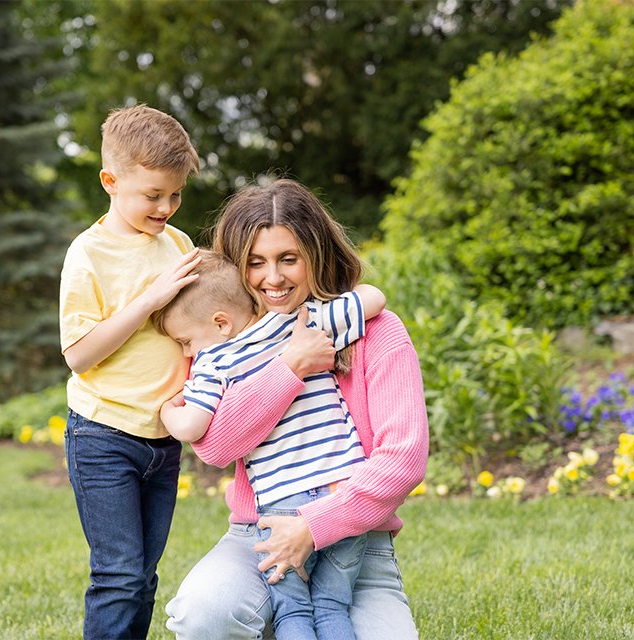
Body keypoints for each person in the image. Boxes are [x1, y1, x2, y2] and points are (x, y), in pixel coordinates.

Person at [164, 178, 429, 639]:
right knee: (202, 614)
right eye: (255, 263)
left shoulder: (377, 331)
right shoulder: (223, 343)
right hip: (259, 537)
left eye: (289, 259)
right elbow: (217, 446)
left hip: (357, 540)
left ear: (317, 254)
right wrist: (290, 366)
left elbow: (403, 459)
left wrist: (312, 527)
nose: (273, 278)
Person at [151, 250, 386, 639]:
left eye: (186, 340)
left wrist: (165, 410)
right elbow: (374, 298)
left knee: (293, 611)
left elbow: (192, 427)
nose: (186, 352)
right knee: (331, 607)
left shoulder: (214, 363)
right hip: (341, 490)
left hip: (282, 504)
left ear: (220, 323)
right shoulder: (297, 323)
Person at [58, 104, 203, 640]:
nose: (166, 206)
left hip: (162, 440)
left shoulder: (179, 245)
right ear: (110, 181)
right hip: (103, 435)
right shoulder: (89, 254)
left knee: (142, 578)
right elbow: (78, 354)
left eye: (175, 194)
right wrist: (149, 300)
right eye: (153, 195)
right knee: (118, 576)